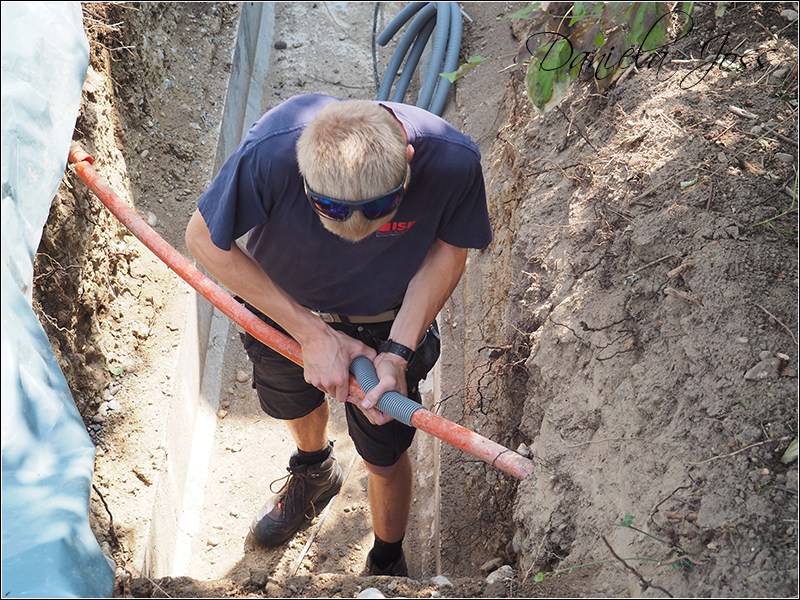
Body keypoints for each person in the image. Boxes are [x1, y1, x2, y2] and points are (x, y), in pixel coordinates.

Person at [185, 94, 492, 576]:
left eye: (381, 214)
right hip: (284, 314)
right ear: (302, 174)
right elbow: (203, 238)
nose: (362, 233)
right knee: (294, 401)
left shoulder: (453, 162)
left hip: (388, 323)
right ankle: (314, 471)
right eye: (332, 212)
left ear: (408, 163)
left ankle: (388, 559)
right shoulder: (271, 152)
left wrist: (396, 353)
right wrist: (310, 333)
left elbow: (450, 251)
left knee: (384, 448)